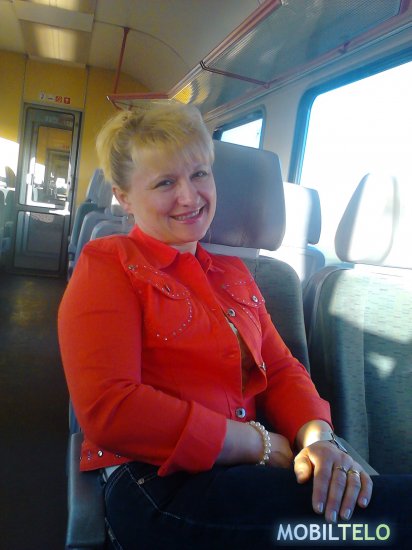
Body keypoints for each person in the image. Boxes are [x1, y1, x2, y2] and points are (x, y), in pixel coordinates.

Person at [58, 102, 410, 549]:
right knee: (384, 522)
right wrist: (256, 444)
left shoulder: (234, 276)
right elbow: (112, 407)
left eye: (199, 174)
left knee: (371, 517)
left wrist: (318, 438)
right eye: (165, 182)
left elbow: (280, 369)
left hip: (248, 473)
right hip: (160, 482)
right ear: (124, 197)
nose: (190, 197)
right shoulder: (108, 265)